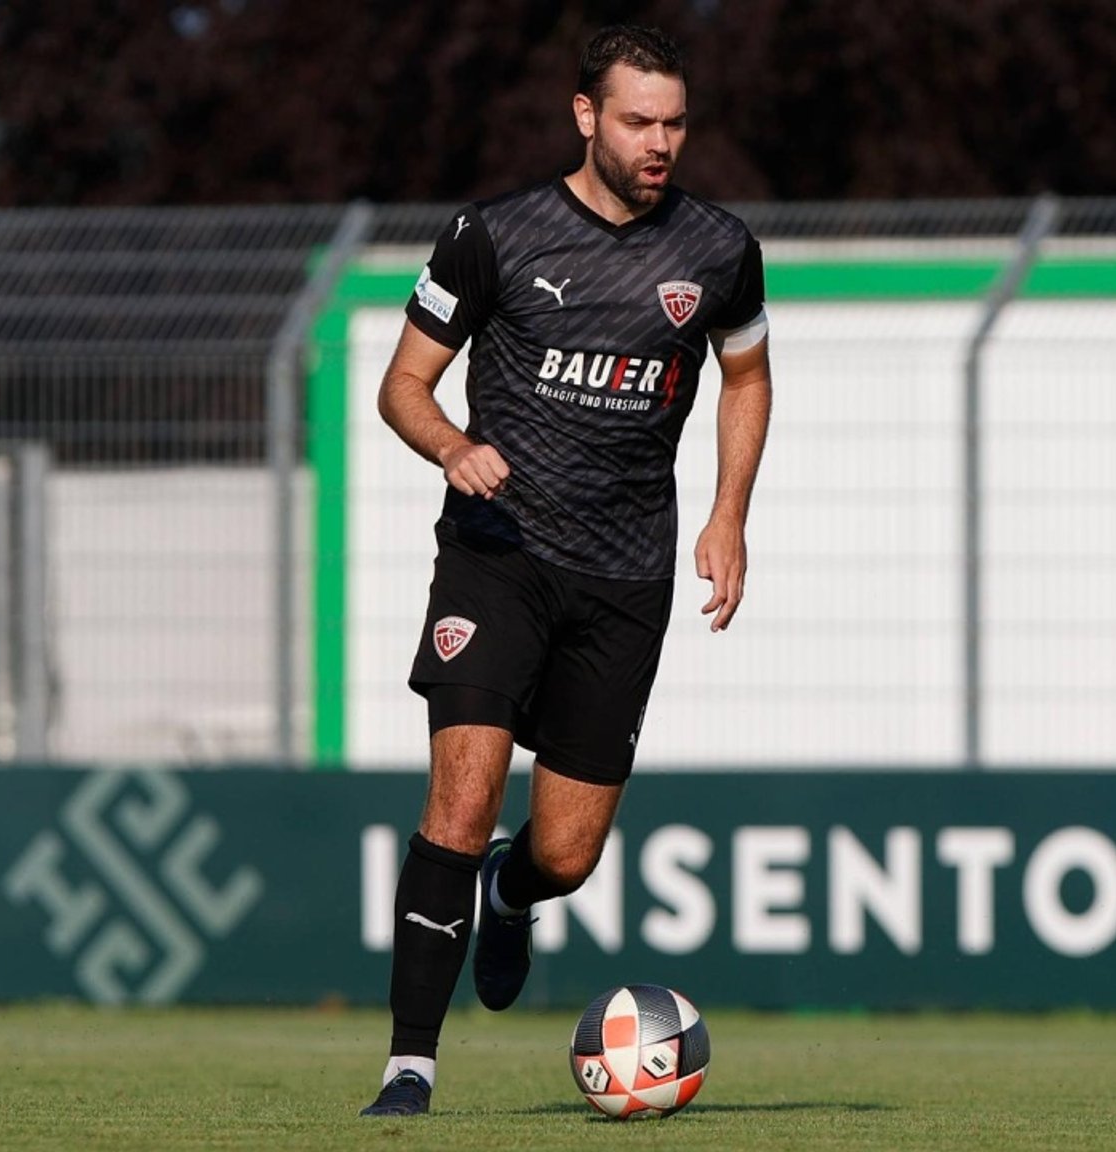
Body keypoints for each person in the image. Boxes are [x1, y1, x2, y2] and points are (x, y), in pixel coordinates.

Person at [360, 23, 773, 1118]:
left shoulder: (720, 250)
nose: (659, 142)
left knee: (568, 851)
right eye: (638, 120)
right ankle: (410, 1066)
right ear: (585, 115)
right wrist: (451, 445)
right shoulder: (491, 236)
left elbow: (744, 379)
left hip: (623, 576)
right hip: (496, 558)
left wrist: (727, 517)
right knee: (460, 796)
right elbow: (401, 385)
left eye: (674, 123)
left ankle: (510, 889)